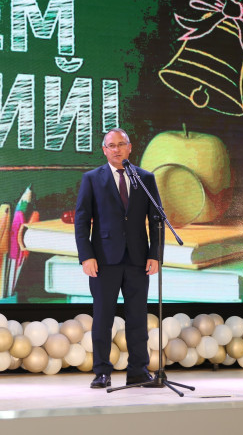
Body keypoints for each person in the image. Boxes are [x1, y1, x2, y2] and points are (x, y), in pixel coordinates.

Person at [74, 128, 162, 388]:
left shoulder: (145, 178)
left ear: (130, 147)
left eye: (121, 144)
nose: (116, 149)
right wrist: (86, 256)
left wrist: (155, 254)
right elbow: (81, 221)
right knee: (103, 318)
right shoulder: (92, 179)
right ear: (104, 150)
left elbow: (156, 220)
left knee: (138, 317)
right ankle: (102, 371)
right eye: (111, 145)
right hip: (103, 260)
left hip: (138, 259)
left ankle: (138, 371)